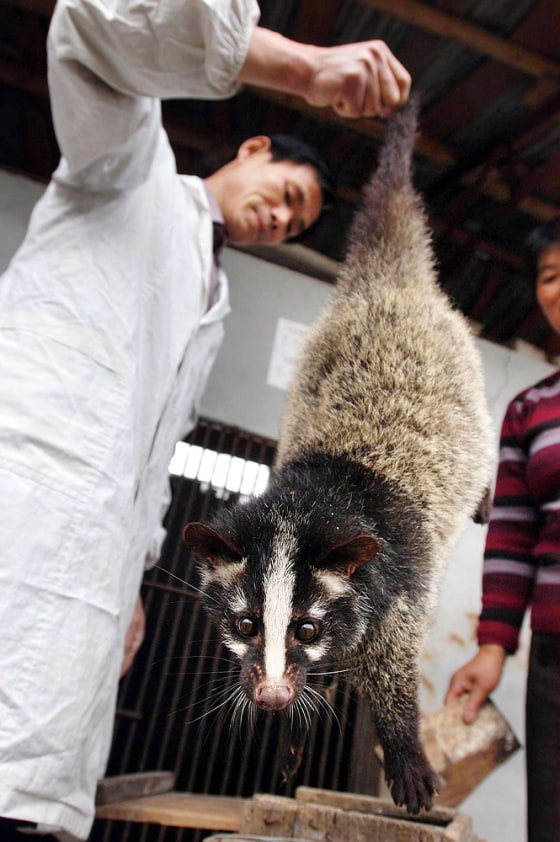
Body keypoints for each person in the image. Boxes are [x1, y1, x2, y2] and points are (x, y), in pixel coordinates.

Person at [0, 0, 411, 839]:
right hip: (20, 491)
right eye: (287, 195)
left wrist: (132, 582)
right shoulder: (129, 169)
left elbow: (149, 461)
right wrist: (301, 68)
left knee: (26, 797)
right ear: (251, 149)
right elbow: (89, 29)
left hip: (88, 572)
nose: (281, 219)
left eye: (296, 224)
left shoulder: (211, 299)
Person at [445, 217, 560, 842]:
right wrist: (493, 645)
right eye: (549, 275)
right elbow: (513, 537)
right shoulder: (529, 410)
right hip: (557, 657)